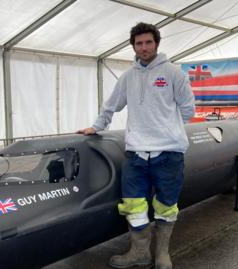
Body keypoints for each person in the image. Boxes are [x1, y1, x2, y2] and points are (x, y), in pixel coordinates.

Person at [78, 22, 195, 269]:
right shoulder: (128, 77)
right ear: (133, 46)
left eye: (148, 42)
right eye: (139, 43)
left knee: (166, 204)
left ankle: (162, 254)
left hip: (169, 153)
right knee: (133, 204)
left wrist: (169, 130)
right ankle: (140, 253)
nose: (144, 47)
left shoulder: (173, 73)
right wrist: (96, 127)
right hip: (136, 154)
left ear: (156, 44)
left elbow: (188, 108)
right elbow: (111, 106)